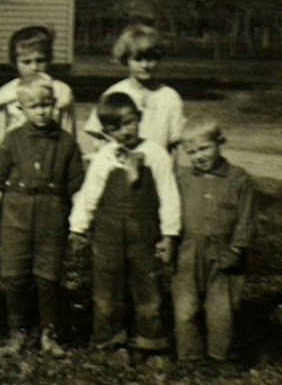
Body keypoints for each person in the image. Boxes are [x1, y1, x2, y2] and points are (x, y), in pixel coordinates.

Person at [69, 91, 181, 362]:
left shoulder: (155, 154)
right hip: (108, 231)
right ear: (106, 132)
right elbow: (89, 193)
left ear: (139, 118)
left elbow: (168, 195)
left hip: (144, 230)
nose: (124, 131)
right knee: (107, 287)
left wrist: (169, 234)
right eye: (115, 128)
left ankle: (150, 342)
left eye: (129, 122)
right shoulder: (104, 157)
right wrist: (78, 227)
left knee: (147, 285)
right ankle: (109, 340)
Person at [0, 73, 83, 354]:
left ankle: (49, 334)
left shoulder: (66, 142)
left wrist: (79, 221)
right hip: (16, 216)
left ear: (54, 104)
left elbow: (76, 185)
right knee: (15, 277)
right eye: (33, 106)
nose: (41, 111)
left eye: (46, 104)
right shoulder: (13, 139)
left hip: (52, 216)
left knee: (48, 277)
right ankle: (17, 332)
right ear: (21, 108)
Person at [172, 116, 255, 364]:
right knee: (186, 305)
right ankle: (190, 355)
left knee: (223, 308)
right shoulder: (183, 179)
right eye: (191, 151)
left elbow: (246, 218)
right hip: (188, 248)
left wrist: (237, 248)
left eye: (204, 148)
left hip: (225, 248)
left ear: (220, 143)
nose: (198, 156)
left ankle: (221, 354)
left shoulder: (238, 178)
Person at [0, 26, 75, 169]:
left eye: (40, 60)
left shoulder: (61, 93)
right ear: (15, 62)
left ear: (49, 60)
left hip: (52, 161)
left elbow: (68, 132)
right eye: (26, 62)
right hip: (16, 163)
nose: (34, 67)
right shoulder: (4, 98)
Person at [83, 24, 185, 152]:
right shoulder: (115, 93)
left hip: (157, 166)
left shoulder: (170, 97)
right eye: (138, 59)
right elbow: (99, 136)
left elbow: (175, 145)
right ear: (126, 59)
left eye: (150, 58)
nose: (145, 65)